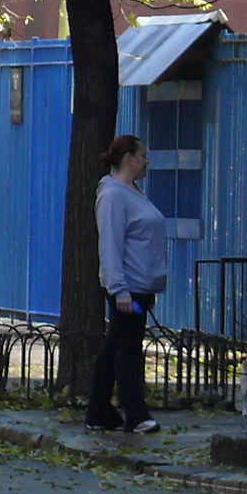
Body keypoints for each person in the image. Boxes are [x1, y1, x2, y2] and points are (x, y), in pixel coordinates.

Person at [86, 133, 166, 433]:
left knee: (115, 346)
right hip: (127, 288)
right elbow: (110, 244)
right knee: (128, 349)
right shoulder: (113, 195)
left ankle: (99, 411)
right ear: (129, 158)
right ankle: (136, 414)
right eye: (142, 154)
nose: (146, 160)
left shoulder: (132, 191)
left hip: (140, 285)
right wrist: (118, 289)